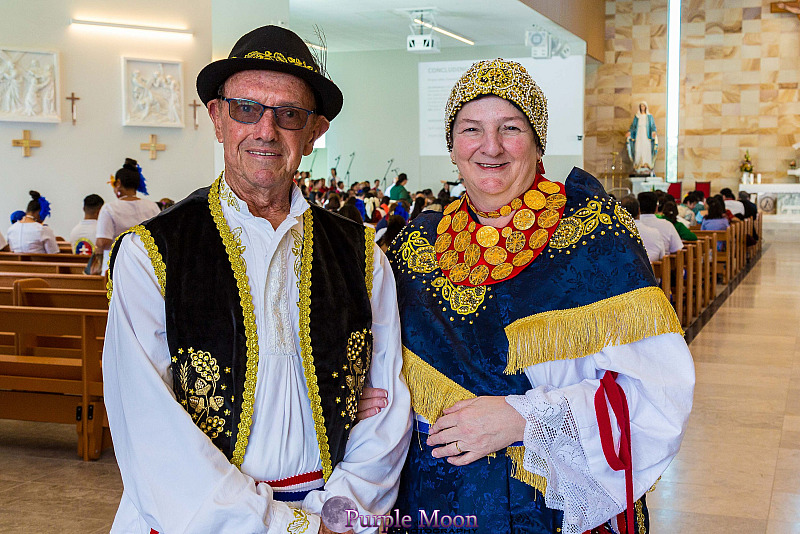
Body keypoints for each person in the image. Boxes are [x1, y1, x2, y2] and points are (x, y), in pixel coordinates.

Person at [103, 25, 411, 534]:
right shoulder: (151, 254)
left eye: (289, 114)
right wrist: (285, 527)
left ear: (313, 134)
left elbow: (387, 412)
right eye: (246, 108)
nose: (266, 130)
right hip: (195, 520)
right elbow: (148, 425)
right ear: (217, 118)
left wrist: (337, 517)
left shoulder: (362, 257)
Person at [374, 59, 694, 533]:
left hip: (549, 501)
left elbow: (657, 394)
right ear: (452, 146)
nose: (491, 147)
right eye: (470, 129)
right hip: (432, 503)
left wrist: (523, 419)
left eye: (510, 127)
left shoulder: (596, 237)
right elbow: (377, 356)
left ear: (537, 139)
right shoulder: (414, 248)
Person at [96, 158, 161, 273]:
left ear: (119, 183)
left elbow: (103, 242)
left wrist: (98, 249)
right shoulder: (152, 207)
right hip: (145, 267)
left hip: (116, 266)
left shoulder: (109, 208)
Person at [620, 195, 665, 262]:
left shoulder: (614, 234)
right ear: (639, 210)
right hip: (653, 271)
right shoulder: (655, 233)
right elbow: (662, 256)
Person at [626, 101, 658, 174]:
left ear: (646, 107)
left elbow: (653, 126)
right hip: (639, 134)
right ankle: (638, 165)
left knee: (646, 148)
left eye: (643, 106)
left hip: (646, 135)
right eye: (641, 106)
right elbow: (633, 126)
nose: (642, 107)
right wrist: (630, 132)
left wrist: (653, 131)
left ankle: (646, 164)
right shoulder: (637, 116)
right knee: (638, 148)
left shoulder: (649, 116)